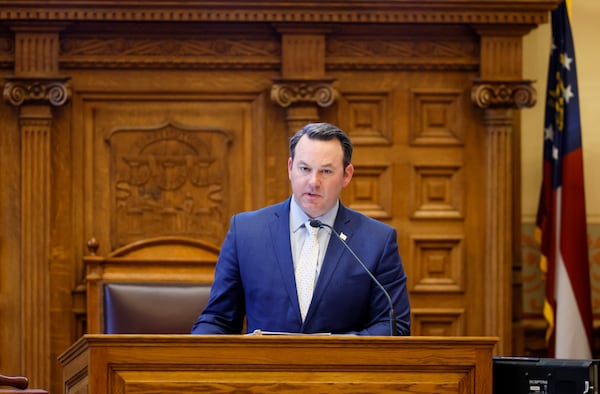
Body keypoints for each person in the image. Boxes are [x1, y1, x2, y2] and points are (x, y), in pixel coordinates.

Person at [191, 122, 410, 336]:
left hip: (341, 371)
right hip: (265, 370)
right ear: (290, 168)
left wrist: (339, 348)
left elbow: (393, 325)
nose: (313, 182)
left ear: (346, 175)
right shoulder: (247, 232)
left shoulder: (377, 240)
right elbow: (219, 319)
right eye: (304, 169)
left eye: (325, 171)